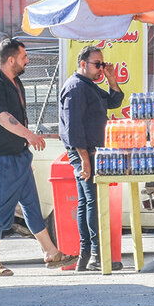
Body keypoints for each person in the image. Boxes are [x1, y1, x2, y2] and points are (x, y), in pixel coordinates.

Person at [0, 38, 77, 276]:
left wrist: (24, 146)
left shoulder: (16, 81)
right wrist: (30, 136)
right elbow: (1, 117)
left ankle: (50, 252)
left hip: (18, 157)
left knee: (31, 204)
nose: (27, 60)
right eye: (23, 57)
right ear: (10, 59)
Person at [59, 45, 125, 272]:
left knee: (88, 202)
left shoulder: (89, 86)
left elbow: (114, 101)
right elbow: (73, 129)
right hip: (84, 152)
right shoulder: (76, 88)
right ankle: (95, 254)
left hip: (93, 152)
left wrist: (111, 78)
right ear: (82, 64)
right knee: (92, 202)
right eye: (97, 64)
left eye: (102, 64)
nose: (100, 68)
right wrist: (85, 160)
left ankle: (86, 255)